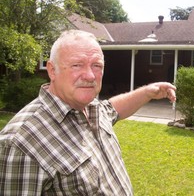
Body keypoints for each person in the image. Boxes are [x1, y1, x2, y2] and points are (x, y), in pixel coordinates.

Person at [0, 30, 176, 195]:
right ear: (52, 70)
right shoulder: (19, 143)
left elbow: (113, 109)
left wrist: (147, 92)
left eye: (97, 66)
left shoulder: (92, 108)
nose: (90, 75)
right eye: (77, 65)